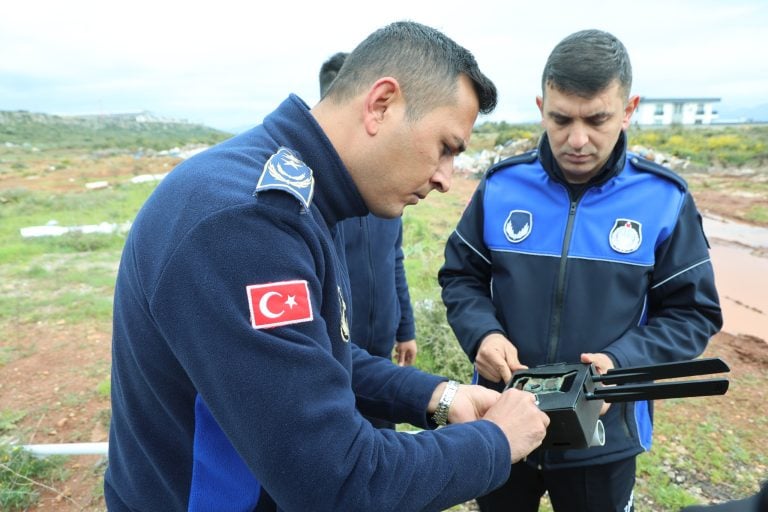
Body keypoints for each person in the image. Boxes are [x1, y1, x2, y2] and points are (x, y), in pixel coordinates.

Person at [104, 21, 550, 512]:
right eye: (445, 146)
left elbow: (312, 358)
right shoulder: (247, 223)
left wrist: (439, 394)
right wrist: (496, 442)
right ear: (381, 104)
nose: (446, 179)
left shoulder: (302, 197)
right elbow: (337, 479)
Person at [438, 29, 722, 512]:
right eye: (561, 118)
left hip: (603, 438)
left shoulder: (663, 200)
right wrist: (482, 335)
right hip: (501, 418)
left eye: (597, 120)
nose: (577, 139)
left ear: (629, 109)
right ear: (540, 106)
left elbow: (694, 313)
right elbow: (461, 276)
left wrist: (622, 361)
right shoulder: (502, 187)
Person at [320, 51, 418, 429]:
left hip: (381, 350)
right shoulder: (319, 201)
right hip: (339, 357)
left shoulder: (388, 192)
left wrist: (405, 329)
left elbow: (395, 260)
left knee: (383, 436)